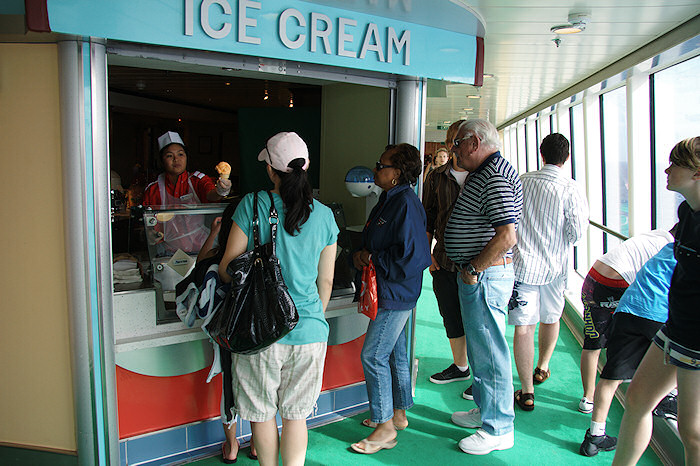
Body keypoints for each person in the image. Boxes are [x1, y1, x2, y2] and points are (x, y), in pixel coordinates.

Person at [218, 132, 339, 466]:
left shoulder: (252, 205)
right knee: (297, 416)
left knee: (262, 414)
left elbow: (228, 269)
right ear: (307, 166)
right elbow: (325, 279)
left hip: (260, 331)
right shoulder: (326, 215)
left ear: (271, 170)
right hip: (311, 330)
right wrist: (309, 317)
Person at [613, 137, 700, 466]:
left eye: (675, 164)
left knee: (692, 432)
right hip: (676, 328)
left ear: (697, 173)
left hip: (696, 339)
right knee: (637, 398)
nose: (666, 170)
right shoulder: (687, 214)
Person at [444, 119, 523, 455]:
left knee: (490, 351)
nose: (453, 151)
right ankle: (485, 410)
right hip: (479, 275)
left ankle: (498, 428)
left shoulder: (495, 175)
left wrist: (474, 268)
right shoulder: (485, 171)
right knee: (480, 349)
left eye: (457, 144)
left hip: (486, 276)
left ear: (474, 141)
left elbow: (507, 235)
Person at [350, 143, 431, 454]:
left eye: (381, 165)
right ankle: (397, 414)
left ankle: (383, 427)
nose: (375, 169)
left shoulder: (406, 204)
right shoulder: (389, 199)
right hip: (387, 288)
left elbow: (414, 257)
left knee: (372, 355)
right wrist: (365, 257)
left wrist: (374, 258)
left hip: (396, 293)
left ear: (397, 174)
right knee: (396, 354)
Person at [510, 133, 588, 411]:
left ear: (541, 154)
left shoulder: (522, 180)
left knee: (524, 327)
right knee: (552, 317)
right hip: (556, 267)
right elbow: (576, 232)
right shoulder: (571, 188)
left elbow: (511, 219)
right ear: (566, 158)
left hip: (523, 266)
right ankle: (542, 367)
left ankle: (527, 391)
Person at [579, 242, 675, 457]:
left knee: (611, 377)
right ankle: (667, 399)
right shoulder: (690, 257)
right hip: (658, 315)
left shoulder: (668, 248)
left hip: (627, 310)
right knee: (678, 364)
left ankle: (595, 436)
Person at [423, 122, 473, 399]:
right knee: (450, 315)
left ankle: (480, 376)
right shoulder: (437, 177)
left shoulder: (482, 175)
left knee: (476, 321)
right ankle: (460, 366)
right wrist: (428, 254)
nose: (456, 145)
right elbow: (428, 216)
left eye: (461, 140)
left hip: (476, 264)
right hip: (442, 259)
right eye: (452, 140)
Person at [143, 131, 231, 206]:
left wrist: (221, 190)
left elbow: (212, 195)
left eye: (180, 154)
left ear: (186, 157)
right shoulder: (153, 189)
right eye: (169, 155)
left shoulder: (197, 180)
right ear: (162, 161)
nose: (176, 159)